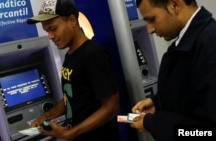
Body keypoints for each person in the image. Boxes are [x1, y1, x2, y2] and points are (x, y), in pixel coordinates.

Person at [26, 0, 120, 141]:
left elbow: (111, 108)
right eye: (47, 31)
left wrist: (71, 133)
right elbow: (72, 98)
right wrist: (46, 117)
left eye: (53, 29)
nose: (50, 36)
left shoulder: (93, 55)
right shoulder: (71, 55)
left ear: (71, 20)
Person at [130, 0, 216, 141]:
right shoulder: (188, 43)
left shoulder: (209, 45)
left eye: (152, 19)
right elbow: (191, 94)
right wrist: (158, 102)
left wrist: (153, 123)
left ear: (175, 5)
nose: (149, 30)